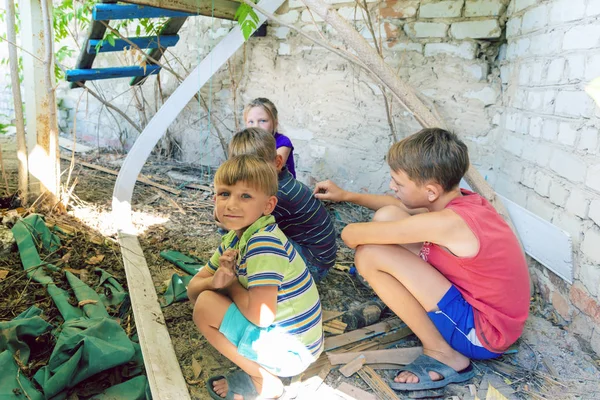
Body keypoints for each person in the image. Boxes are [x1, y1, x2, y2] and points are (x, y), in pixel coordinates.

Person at [313, 128, 530, 391]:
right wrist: (347, 196)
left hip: (483, 335)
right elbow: (395, 207)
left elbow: (351, 235)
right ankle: (415, 304)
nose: (392, 186)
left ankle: (443, 353)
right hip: (479, 304)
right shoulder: (459, 203)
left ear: (430, 191)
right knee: (388, 215)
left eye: (399, 183)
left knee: (369, 254)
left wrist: (362, 233)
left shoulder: (448, 223)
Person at [187, 155, 324, 399]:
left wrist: (228, 286)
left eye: (246, 196)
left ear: (268, 206)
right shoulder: (236, 237)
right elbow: (193, 289)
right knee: (206, 297)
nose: (231, 205)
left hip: (294, 352)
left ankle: (263, 379)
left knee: (207, 306)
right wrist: (214, 281)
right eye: (224, 194)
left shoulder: (264, 243)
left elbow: (262, 317)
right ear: (214, 198)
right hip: (291, 343)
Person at [228, 127, 337, 283]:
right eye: (242, 169)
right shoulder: (277, 184)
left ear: (278, 162)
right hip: (314, 256)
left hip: (314, 266)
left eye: (258, 169)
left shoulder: (278, 194)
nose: (249, 176)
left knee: (248, 230)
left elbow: (241, 223)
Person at [244, 97, 296, 178]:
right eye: (251, 121)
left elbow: (269, 173)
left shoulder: (283, 143)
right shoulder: (245, 143)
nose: (256, 126)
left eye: (262, 121)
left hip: (281, 188)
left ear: (275, 122)